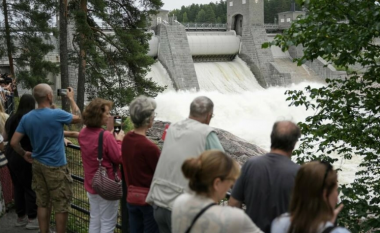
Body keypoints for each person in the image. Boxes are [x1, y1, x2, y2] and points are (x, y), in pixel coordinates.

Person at [146, 96, 224, 233]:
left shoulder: (173, 128)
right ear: (209, 116)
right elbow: (225, 167)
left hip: (159, 202)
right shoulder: (206, 133)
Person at [11, 84, 82, 233]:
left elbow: (13, 142)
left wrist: (24, 153)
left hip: (37, 165)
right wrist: (71, 99)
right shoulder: (56, 114)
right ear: (49, 96)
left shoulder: (27, 117)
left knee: (42, 202)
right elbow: (79, 118)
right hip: (56, 166)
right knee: (61, 204)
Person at [229, 121, 301, 233]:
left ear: (272, 137)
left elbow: (233, 204)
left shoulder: (251, 165)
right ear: (294, 143)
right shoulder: (299, 173)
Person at [172, 150, 263, 233]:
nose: (230, 187)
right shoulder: (233, 218)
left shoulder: (179, 201)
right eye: (231, 181)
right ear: (217, 183)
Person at [78, 98, 124, 233]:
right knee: (108, 223)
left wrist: (110, 138)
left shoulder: (83, 133)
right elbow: (119, 158)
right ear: (99, 115)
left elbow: (95, 145)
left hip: (92, 183)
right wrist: (119, 141)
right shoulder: (106, 137)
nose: (109, 116)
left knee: (95, 219)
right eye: (107, 113)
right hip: (108, 184)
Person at [271, 161, 349, 233]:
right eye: (336, 190)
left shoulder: (278, 224)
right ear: (325, 194)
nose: (337, 198)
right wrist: (329, 227)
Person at [121, 96, 160, 233]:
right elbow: (160, 174)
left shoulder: (126, 139)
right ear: (149, 120)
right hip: (149, 202)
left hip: (131, 197)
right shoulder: (150, 147)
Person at [4, 94, 38, 229]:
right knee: (30, 187)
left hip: (11, 155)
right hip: (25, 154)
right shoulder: (30, 119)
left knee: (18, 186)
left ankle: (20, 217)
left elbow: (5, 136)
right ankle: (32, 218)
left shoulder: (12, 118)